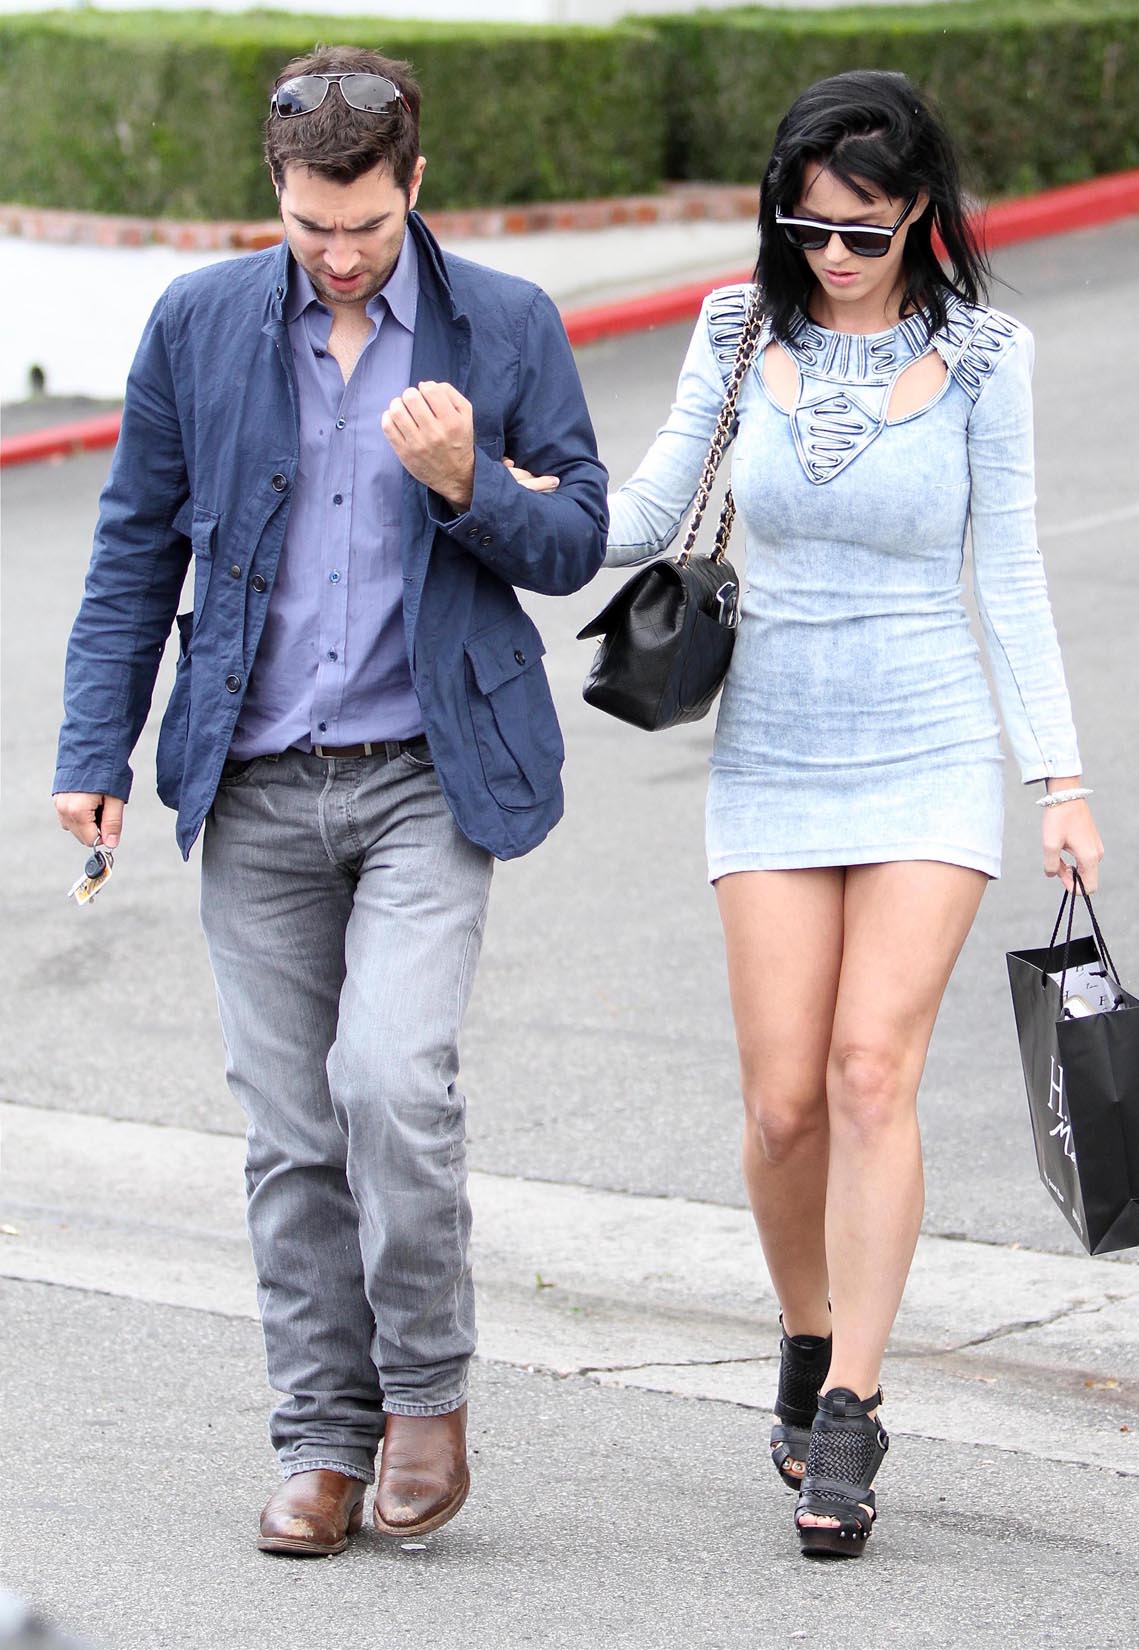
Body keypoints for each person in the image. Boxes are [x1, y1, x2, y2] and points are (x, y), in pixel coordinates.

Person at [52, 46, 606, 1557]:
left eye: (364, 223)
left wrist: (468, 481)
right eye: (310, 225)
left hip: (429, 772)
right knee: (291, 1130)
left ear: (414, 183)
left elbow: (578, 538)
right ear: (277, 195)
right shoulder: (200, 322)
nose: (339, 254)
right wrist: (94, 752)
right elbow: (134, 544)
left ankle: (424, 1394)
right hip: (253, 778)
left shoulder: (505, 322)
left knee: (389, 1081)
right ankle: (318, 1437)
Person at [601, 70, 1103, 1555]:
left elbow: (1008, 573)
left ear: (919, 215)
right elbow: (645, 513)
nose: (829, 254)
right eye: (804, 226)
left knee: (871, 1071)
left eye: (861, 233)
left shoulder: (986, 356)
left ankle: (850, 1409)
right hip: (770, 747)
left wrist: (1059, 778)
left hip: (928, 743)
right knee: (782, 1101)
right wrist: (486, 497)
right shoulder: (731, 329)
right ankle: (806, 1329)